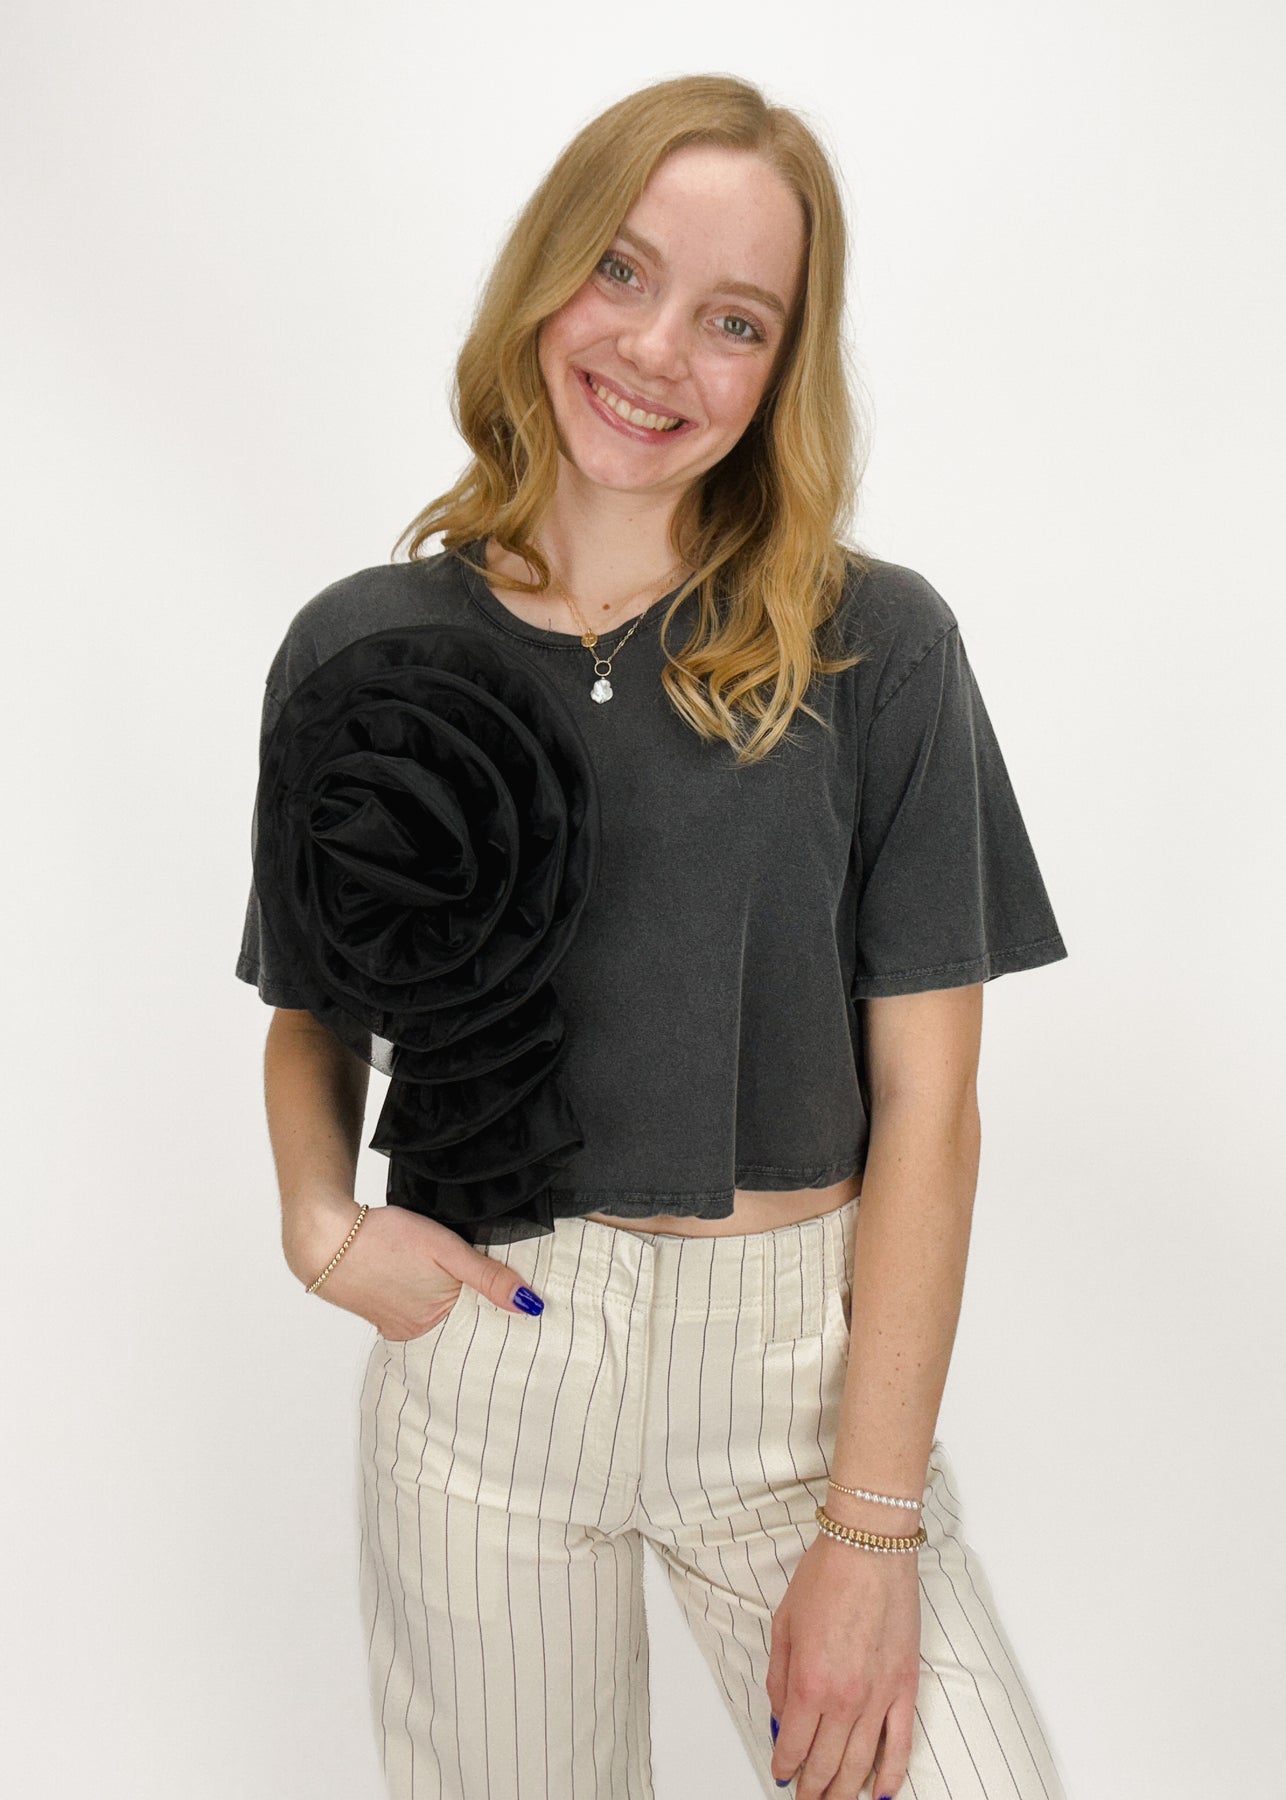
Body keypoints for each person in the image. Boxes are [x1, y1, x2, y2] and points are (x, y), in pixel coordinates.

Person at [236, 72, 1071, 1800]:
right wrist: (322, 1224)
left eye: (733, 319)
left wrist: (872, 1527)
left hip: (794, 1384)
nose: (656, 350)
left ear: (780, 369)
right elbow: (313, 1005)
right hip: (487, 1357)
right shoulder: (360, 645)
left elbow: (932, 1105)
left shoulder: (876, 644)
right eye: (620, 271)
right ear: (544, 275)